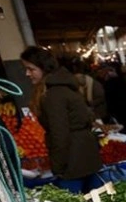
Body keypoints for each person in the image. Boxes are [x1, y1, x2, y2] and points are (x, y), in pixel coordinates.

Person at [20, 46, 102, 194]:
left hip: (73, 160)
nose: (27, 73)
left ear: (44, 68)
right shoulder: (63, 87)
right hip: (85, 154)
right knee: (95, 200)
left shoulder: (53, 95)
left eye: (31, 69)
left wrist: (58, 167)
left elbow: (59, 133)